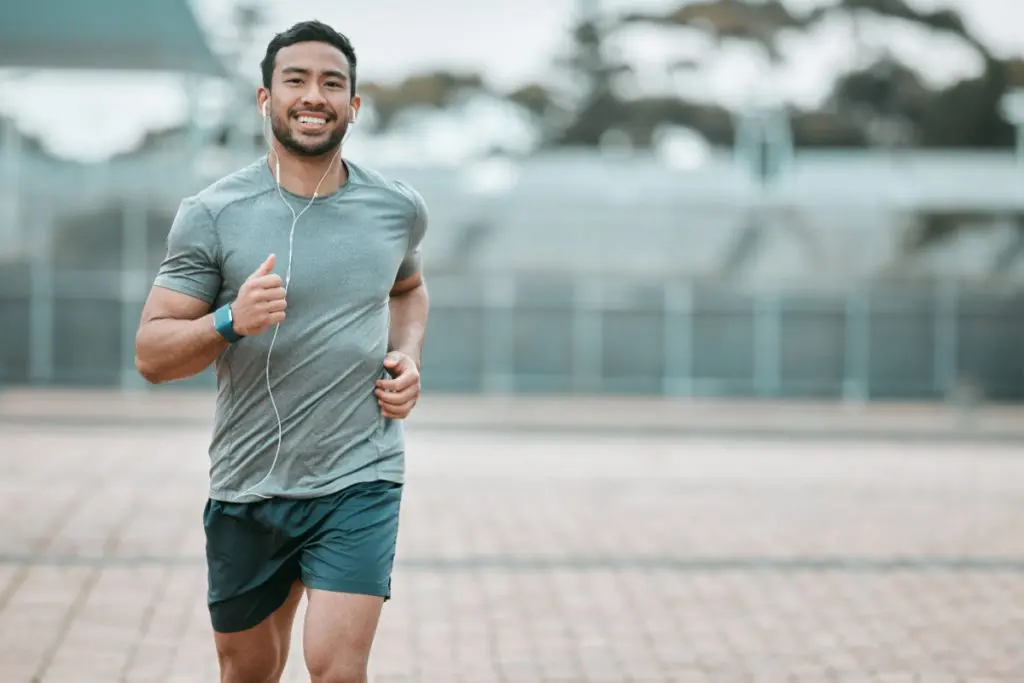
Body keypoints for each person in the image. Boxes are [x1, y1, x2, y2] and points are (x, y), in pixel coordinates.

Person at [134, 19, 429, 683]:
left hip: (360, 475)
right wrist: (230, 320)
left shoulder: (396, 208)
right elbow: (152, 355)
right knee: (248, 671)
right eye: (295, 79)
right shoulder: (212, 213)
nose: (313, 95)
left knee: (337, 668)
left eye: (332, 83)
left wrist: (407, 353)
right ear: (265, 98)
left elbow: (409, 288)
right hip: (248, 483)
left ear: (354, 105)